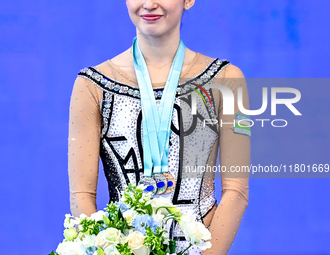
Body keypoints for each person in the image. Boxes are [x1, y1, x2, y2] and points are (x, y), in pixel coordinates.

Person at [67, 0, 251, 254]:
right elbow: (81, 195)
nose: (149, 4)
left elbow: (236, 191)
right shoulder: (91, 85)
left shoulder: (227, 80)